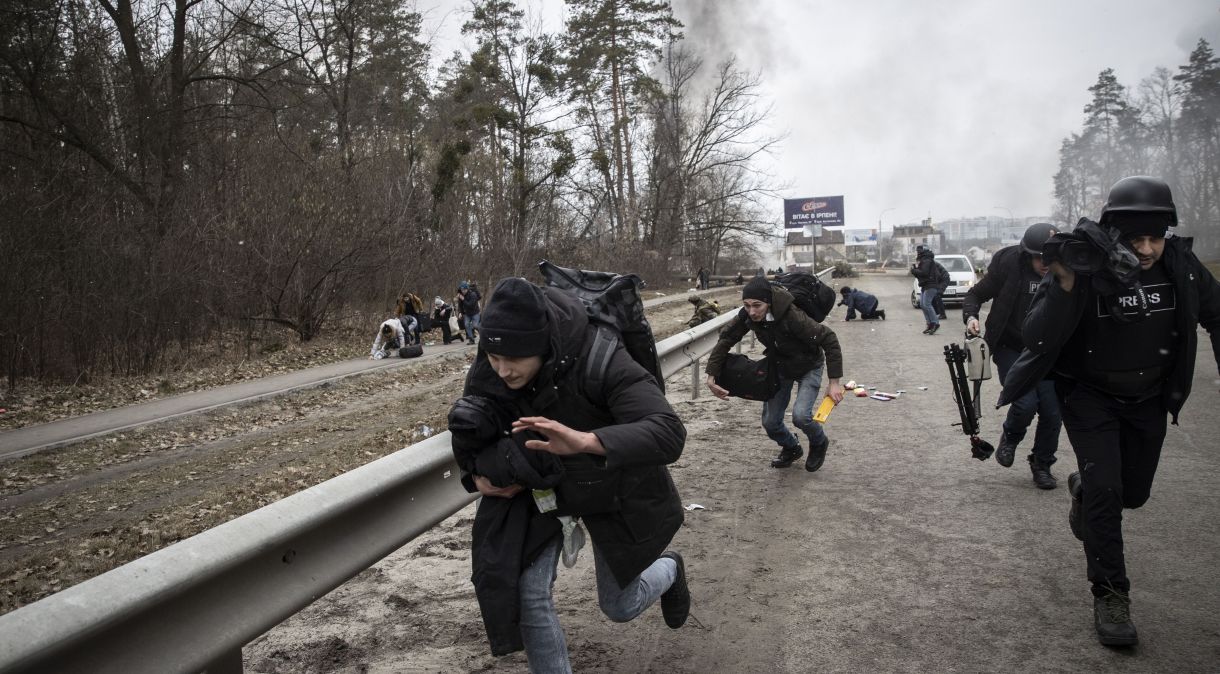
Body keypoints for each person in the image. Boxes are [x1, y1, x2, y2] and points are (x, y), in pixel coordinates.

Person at [1002, 176, 1220, 647]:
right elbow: (1035, 336)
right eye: (1136, 239)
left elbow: (1217, 315)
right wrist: (1062, 285)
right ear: (1114, 233)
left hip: (1149, 398)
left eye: (1155, 238)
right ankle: (1110, 594)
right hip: (1090, 397)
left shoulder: (1180, 265)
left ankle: (1082, 490)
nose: (1146, 249)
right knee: (1107, 492)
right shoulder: (1083, 265)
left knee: (1133, 494)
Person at [448, 277, 690, 672]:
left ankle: (670, 569)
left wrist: (585, 440)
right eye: (494, 358)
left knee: (620, 606)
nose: (503, 371)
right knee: (528, 592)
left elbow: (668, 431)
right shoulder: (493, 362)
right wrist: (473, 476)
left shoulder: (601, 356)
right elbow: (473, 431)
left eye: (515, 359)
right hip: (541, 482)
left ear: (543, 344)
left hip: (607, 479)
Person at [704, 277, 846, 471]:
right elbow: (726, 339)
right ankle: (791, 447)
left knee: (800, 416)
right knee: (770, 423)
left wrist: (834, 382)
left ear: (768, 303)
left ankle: (819, 441)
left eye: (757, 305)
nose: (752, 311)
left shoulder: (791, 315)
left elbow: (828, 338)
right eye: (747, 305)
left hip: (809, 365)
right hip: (780, 366)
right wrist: (711, 375)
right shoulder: (747, 316)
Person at [962, 222, 1061, 489]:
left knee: (1052, 412)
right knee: (1025, 403)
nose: (1044, 264)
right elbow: (975, 295)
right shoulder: (1009, 266)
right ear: (1028, 254)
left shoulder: (1066, 273)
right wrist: (971, 317)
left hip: (1049, 353)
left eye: (1049, 258)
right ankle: (1011, 437)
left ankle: (1042, 463)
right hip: (1011, 348)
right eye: (1039, 257)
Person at [911, 246, 944, 334]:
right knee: (922, 304)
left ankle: (935, 323)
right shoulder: (924, 260)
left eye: (918, 251)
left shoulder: (927, 260)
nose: (917, 253)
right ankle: (930, 324)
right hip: (926, 285)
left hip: (931, 285)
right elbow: (921, 274)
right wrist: (915, 270)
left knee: (927, 304)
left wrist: (914, 271)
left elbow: (924, 273)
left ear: (922, 252)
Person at [457, 281, 482, 345]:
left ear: (467, 289)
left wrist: (463, 299)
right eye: (462, 290)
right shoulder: (461, 295)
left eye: (464, 289)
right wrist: (460, 312)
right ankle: (471, 339)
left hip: (475, 312)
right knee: (466, 325)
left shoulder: (472, 294)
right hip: (467, 314)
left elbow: (470, 305)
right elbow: (460, 305)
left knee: (475, 325)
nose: (463, 291)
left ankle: (483, 336)